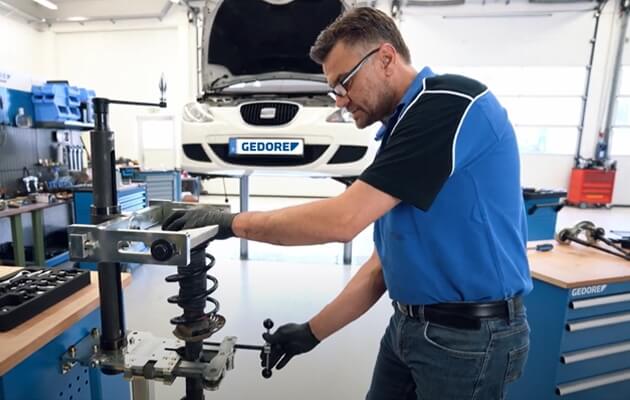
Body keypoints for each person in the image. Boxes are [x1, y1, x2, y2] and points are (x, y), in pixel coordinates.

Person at [162, 7, 532, 400]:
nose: (340, 101)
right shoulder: (401, 128)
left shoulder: (448, 105)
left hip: (468, 341)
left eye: (344, 84)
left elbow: (343, 220)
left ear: (386, 59)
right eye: (333, 90)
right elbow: (381, 268)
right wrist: (311, 332)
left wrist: (232, 222)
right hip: (409, 324)